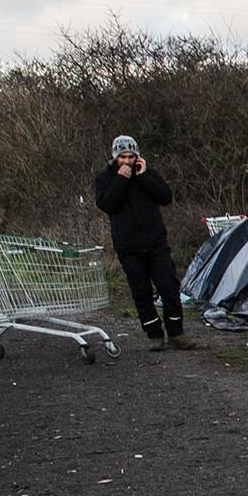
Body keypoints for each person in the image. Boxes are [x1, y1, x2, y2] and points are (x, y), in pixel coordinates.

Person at [92, 134, 191, 350]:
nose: (127, 161)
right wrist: (122, 179)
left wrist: (144, 177)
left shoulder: (147, 174)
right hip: (128, 247)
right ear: (115, 157)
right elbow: (108, 205)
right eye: (123, 157)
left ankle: (177, 333)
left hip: (156, 243)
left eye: (131, 156)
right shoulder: (105, 179)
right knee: (141, 292)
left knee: (168, 287)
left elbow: (165, 197)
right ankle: (154, 334)